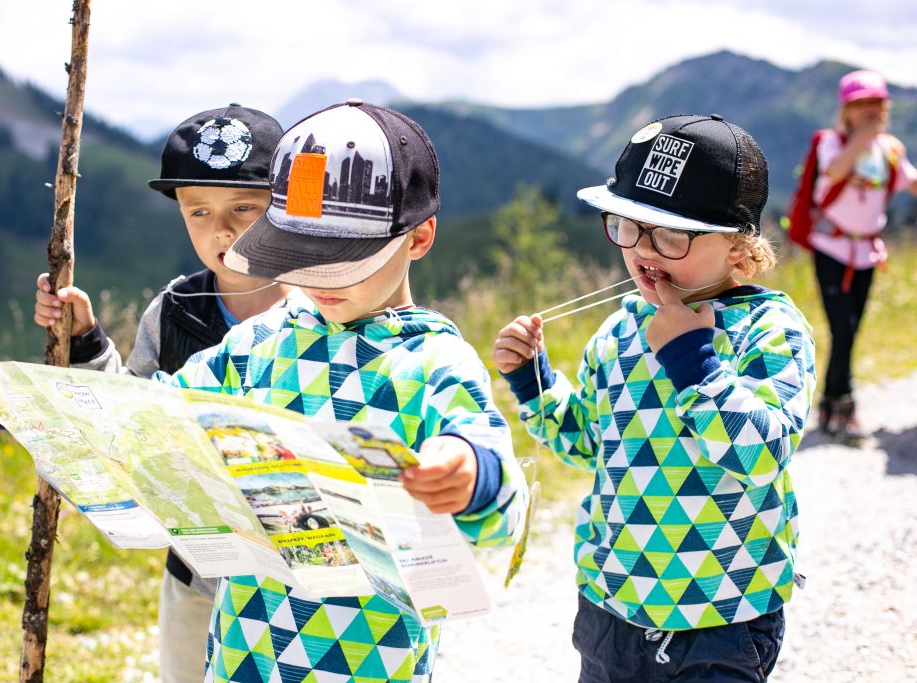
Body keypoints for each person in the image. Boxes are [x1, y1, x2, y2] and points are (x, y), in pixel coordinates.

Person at [157, 100, 527, 682]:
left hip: (370, 659)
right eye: (300, 257)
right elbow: (165, 407)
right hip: (244, 651)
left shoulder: (433, 360)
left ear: (419, 237)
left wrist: (471, 474)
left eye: (344, 260)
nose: (317, 280)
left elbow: (498, 486)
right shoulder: (258, 343)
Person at [0, 104, 304, 683]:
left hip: (304, 579)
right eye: (199, 211)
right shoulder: (172, 313)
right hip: (198, 573)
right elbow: (125, 416)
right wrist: (80, 342)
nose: (223, 229)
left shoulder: (326, 308)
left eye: (246, 206)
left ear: (284, 207)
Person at [493, 115, 816, 682]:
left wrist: (694, 360)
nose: (643, 249)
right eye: (628, 225)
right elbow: (585, 444)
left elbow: (761, 455)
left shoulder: (768, 330)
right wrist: (532, 379)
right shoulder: (618, 334)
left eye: (671, 234)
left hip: (726, 613)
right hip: (613, 608)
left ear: (740, 247)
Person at [808, 70, 917, 439]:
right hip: (830, 248)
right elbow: (835, 171)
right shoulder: (831, 143)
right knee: (843, 328)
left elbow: (911, 181)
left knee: (851, 330)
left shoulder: (891, 151)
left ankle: (830, 405)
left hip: (868, 252)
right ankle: (844, 404)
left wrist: (878, 141)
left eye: (876, 102)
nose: (870, 109)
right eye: (861, 103)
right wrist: (865, 138)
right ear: (847, 110)